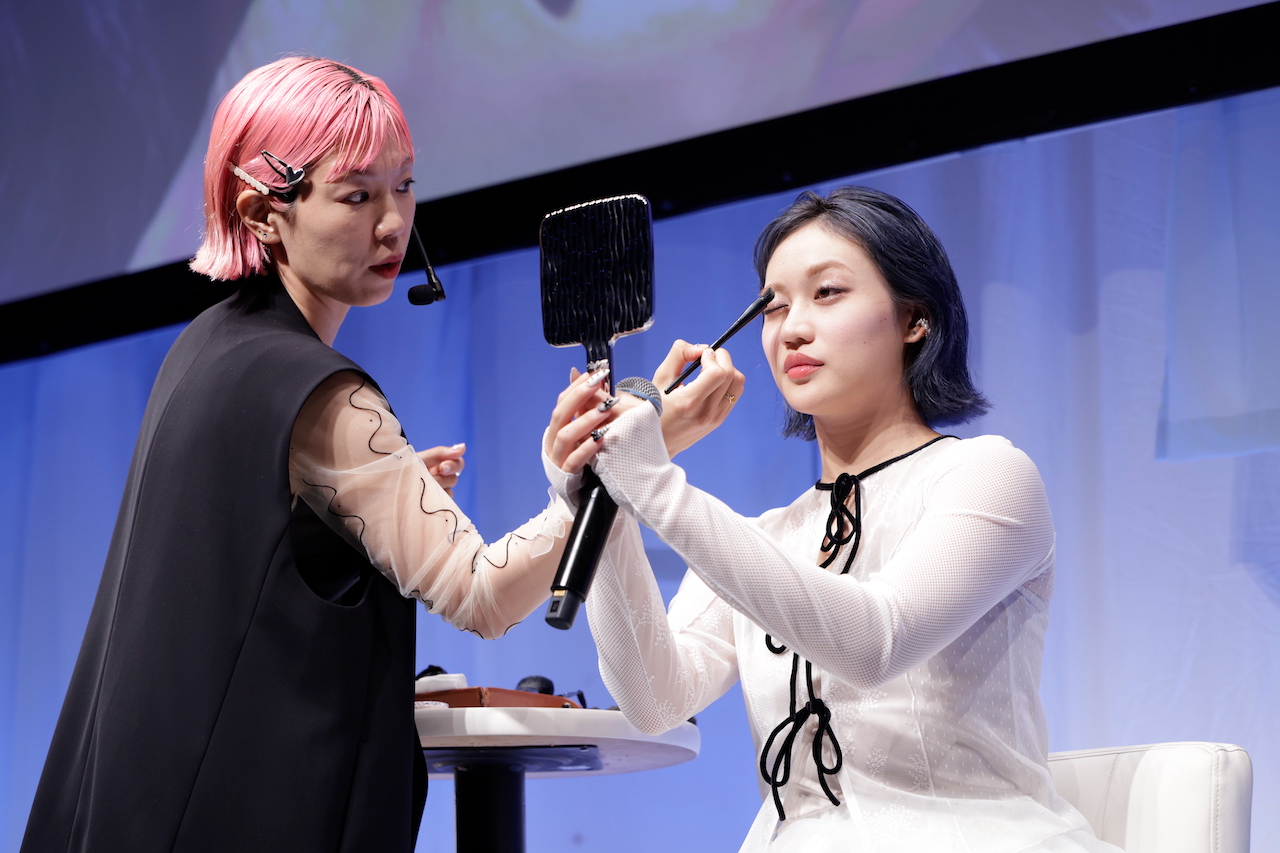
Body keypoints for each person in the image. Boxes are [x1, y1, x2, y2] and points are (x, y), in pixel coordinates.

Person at [22, 57, 592, 853]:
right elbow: (483, 594)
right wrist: (605, 484)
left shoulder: (206, 347)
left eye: (404, 186)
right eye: (357, 196)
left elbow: (236, 567)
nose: (393, 223)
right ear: (263, 212)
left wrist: (346, 520)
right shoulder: (322, 394)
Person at [544, 187, 1122, 851]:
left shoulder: (988, 475)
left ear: (915, 318)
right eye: (774, 305)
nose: (792, 328)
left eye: (827, 293)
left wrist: (657, 485)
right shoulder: (762, 536)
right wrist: (605, 500)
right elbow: (654, 698)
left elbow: (876, 642)